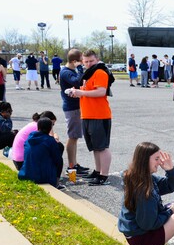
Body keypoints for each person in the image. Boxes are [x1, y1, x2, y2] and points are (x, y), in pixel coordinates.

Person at [118, 142, 174, 245]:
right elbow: (149, 224)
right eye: (156, 159)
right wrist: (169, 211)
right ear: (144, 160)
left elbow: (170, 185)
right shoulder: (143, 189)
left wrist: (170, 169)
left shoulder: (141, 177)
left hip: (138, 234)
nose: (160, 162)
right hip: (142, 240)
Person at [67, 50, 114, 185]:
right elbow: (88, 92)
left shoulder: (100, 72)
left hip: (99, 115)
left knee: (102, 147)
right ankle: (98, 171)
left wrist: (80, 92)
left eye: (91, 61)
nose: (88, 64)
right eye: (86, 61)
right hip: (87, 114)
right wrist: (77, 92)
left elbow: (101, 91)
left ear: (97, 59)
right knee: (95, 146)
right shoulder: (88, 73)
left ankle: (104, 176)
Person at [59, 49, 90, 177]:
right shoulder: (66, 72)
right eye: (81, 61)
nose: (83, 64)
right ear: (74, 61)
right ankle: (71, 167)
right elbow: (77, 81)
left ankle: (74, 164)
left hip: (75, 107)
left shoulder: (69, 71)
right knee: (72, 137)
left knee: (75, 137)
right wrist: (80, 70)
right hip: (72, 108)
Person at [17, 117, 64, 189]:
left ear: (38, 127)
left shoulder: (30, 137)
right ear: (50, 128)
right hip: (43, 178)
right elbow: (58, 161)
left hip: (25, 174)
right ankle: (56, 183)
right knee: (59, 155)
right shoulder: (50, 141)